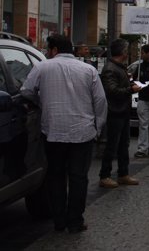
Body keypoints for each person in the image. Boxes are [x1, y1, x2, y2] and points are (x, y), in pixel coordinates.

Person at [21, 35, 107, 234]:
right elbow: (100, 101)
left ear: (53, 50)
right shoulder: (89, 70)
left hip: (53, 131)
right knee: (79, 178)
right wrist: (98, 127)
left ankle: (59, 220)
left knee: (55, 176)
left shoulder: (42, 67)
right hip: (83, 132)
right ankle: (75, 221)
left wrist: (41, 101)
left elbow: (26, 91)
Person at [98, 38, 141, 188]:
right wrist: (130, 89)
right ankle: (105, 175)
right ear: (122, 52)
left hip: (123, 110)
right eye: (126, 50)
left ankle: (123, 173)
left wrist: (130, 84)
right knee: (112, 145)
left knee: (124, 144)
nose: (127, 53)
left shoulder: (120, 67)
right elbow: (111, 90)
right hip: (114, 111)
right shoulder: (110, 68)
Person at [134, 44, 149, 158]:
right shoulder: (140, 67)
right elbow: (134, 79)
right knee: (143, 123)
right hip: (143, 97)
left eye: (143, 53)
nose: (141, 55)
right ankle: (142, 148)